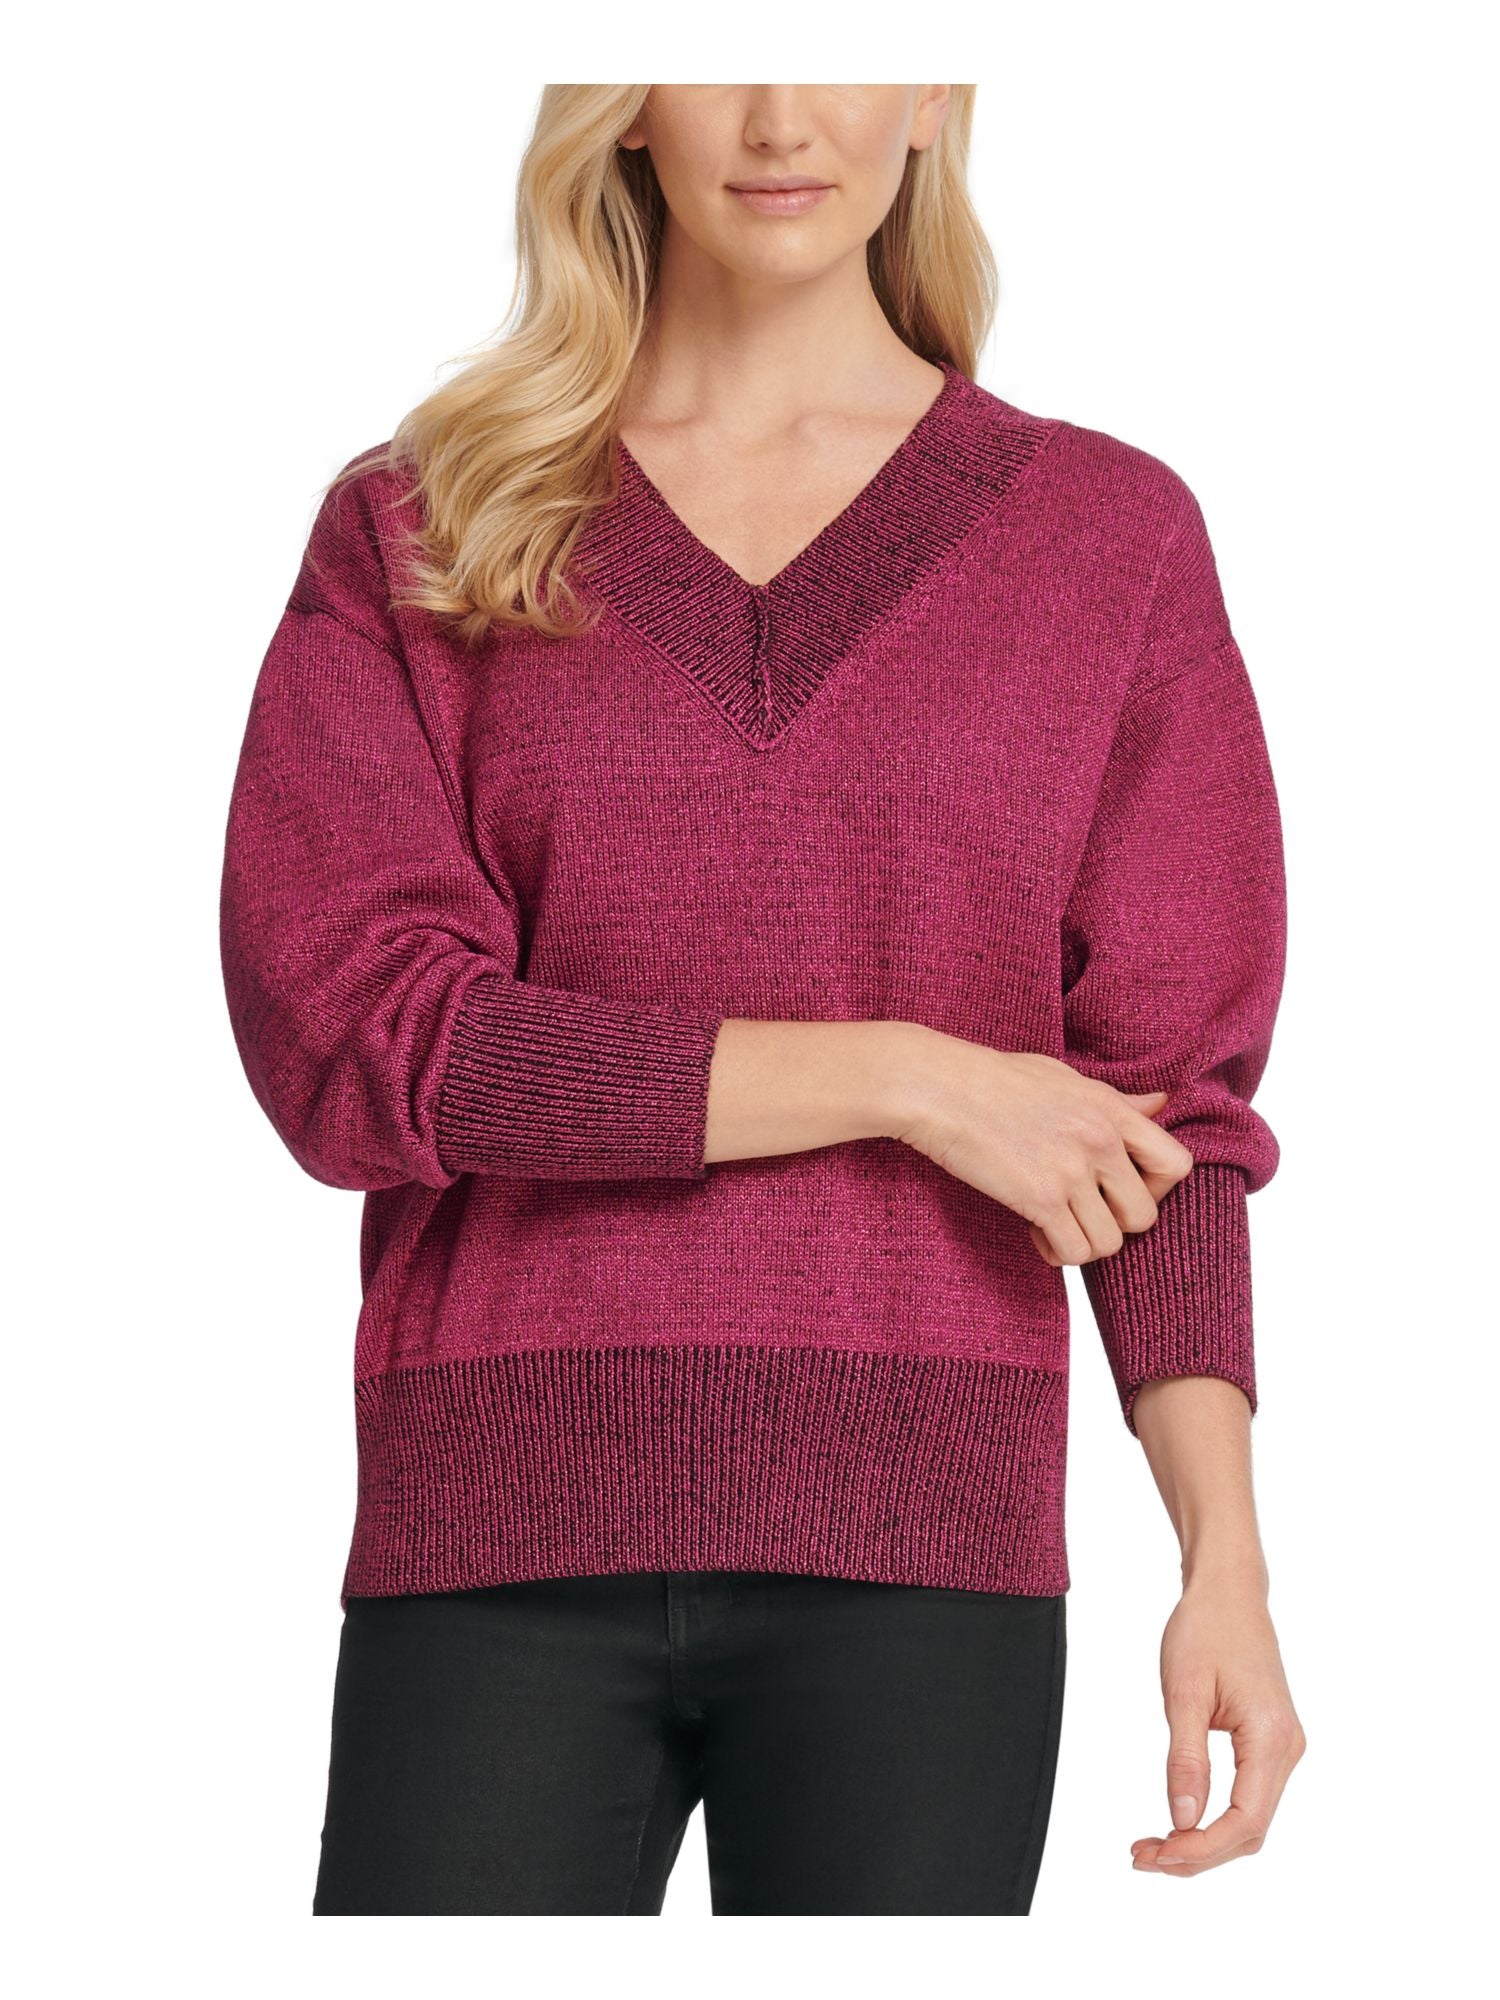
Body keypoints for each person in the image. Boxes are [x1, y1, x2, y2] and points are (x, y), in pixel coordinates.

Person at [218, 83, 1306, 1916]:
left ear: (937, 93)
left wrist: (1227, 1565)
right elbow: (360, 1043)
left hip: (928, 1552)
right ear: (625, 105)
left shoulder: (1105, 538)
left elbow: (1165, 1115)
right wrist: (908, 1079)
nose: (783, 116)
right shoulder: (431, 520)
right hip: (502, 1527)